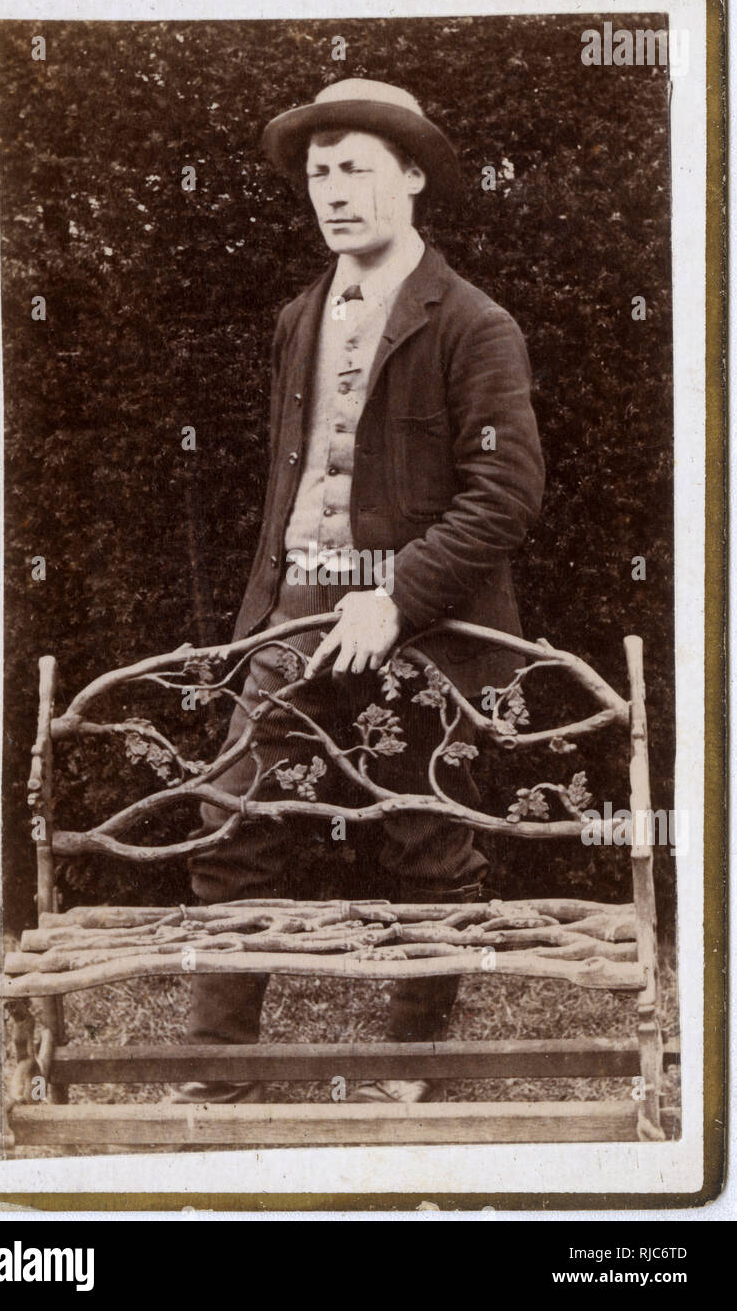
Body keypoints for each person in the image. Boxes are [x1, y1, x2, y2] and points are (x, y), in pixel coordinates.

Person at [175, 78, 545, 1104]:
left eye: (358, 169)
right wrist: (265, 618)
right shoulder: (300, 317)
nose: (333, 191)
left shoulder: (473, 323)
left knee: (428, 840)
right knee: (231, 824)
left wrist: (396, 596)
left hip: (422, 624)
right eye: (318, 171)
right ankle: (216, 1075)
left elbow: (504, 492)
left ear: (413, 176)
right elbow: (293, 483)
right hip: (297, 615)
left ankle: (410, 1073)